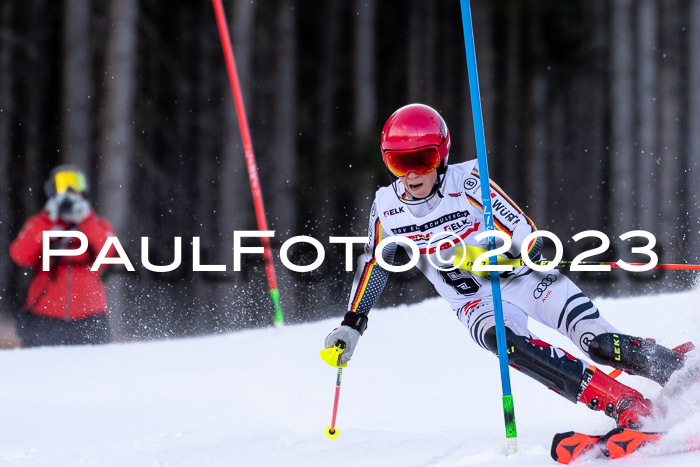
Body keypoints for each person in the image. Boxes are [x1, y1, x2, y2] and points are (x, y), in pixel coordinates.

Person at [322, 103, 691, 429]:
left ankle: (679, 370)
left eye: (424, 161)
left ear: (442, 156)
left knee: (597, 345)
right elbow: (375, 263)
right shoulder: (387, 206)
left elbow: (523, 230)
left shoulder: (468, 182)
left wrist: (515, 252)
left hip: (527, 281)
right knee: (507, 343)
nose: (412, 175)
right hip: (474, 302)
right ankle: (623, 403)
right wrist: (353, 324)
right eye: (400, 162)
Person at [9, 165, 116, 347]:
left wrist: (86, 219)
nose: (70, 191)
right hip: (44, 319)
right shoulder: (39, 223)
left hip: (90, 320)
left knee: (97, 374)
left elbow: (111, 256)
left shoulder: (99, 225)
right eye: (63, 184)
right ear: (51, 190)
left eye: (75, 184)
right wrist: (47, 219)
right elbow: (20, 256)